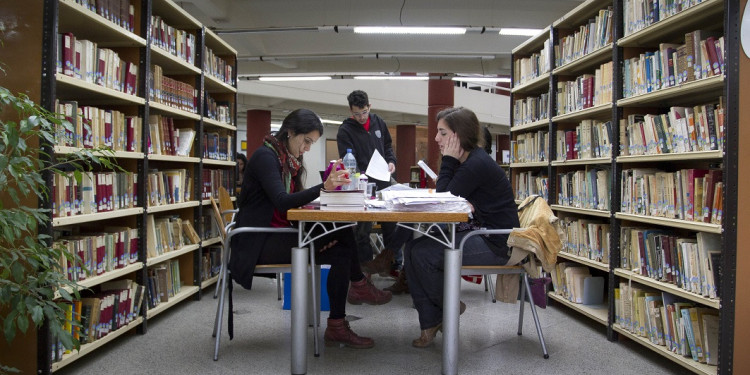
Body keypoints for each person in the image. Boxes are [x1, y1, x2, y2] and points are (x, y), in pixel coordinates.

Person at [230, 109, 392, 349]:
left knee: (343, 235)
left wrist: (324, 194)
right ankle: (353, 295)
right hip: (259, 242)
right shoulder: (266, 157)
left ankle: (344, 312)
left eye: (311, 144)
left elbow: (292, 203)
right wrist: (323, 188)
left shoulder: (287, 161)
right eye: (306, 141)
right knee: (342, 242)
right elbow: (283, 201)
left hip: (279, 233)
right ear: (290, 132)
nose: (307, 148)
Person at [404, 107, 519, 348]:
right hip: (476, 232)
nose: (436, 139)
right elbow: (450, 197)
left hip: (495, 243)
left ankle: (448, 308)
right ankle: (432, 321)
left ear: (459, 135)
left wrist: (447, 161)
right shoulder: (468, 160)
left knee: (424, 254)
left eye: (442, 133)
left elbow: (444, 200)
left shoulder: (475, 163)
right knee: (411, 248)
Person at [337, 90, 402, 277]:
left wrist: (392, 162)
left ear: (369, 107)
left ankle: (393, 266)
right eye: (356, 113)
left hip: (384, 181)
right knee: (362, 231)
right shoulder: (345, 130)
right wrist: (360, 174)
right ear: (350, 111)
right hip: (363, 185)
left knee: (391, 226)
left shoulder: (378, 122)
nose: (360, 117)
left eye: (364, 112)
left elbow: (388, 146)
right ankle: (365, 271)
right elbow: (348, 159)